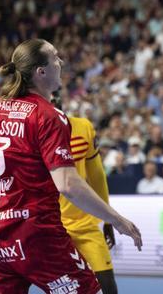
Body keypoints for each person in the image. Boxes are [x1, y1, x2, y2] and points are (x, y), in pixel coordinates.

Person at [0, 39, 142, 294]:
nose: (62, 62)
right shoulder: (48, 116)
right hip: (37, 238)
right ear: (40, 71)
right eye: (56, 57)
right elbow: (67, 183)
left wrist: (7, 202)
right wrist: (117, 220)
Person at [51, 92, 118, 294]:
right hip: (51, 227)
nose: (51, 101)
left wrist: (108, 219)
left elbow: (97, 176)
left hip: (85, 225)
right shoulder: (30, 135)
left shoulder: (83, 127)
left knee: (108, 287)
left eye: (54, 97)